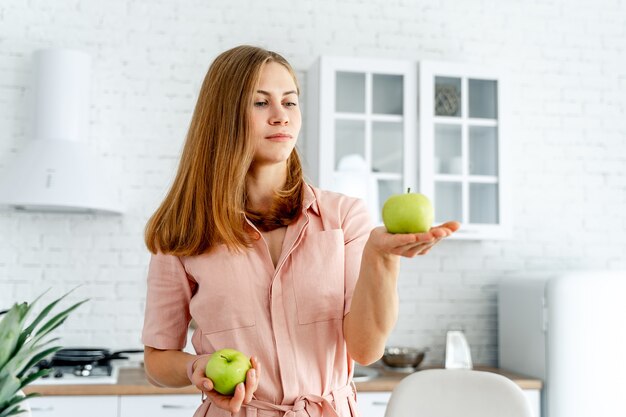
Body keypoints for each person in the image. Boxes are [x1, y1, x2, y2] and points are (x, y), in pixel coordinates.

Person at [141, 45, 460, 417]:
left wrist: (381, 257)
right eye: (261, 103)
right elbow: (157, 358)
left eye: (290, 103)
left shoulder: (343, 217)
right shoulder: (183, 230)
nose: (281, 117)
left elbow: (366, 349)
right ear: (223, 116)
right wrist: (193, 367)